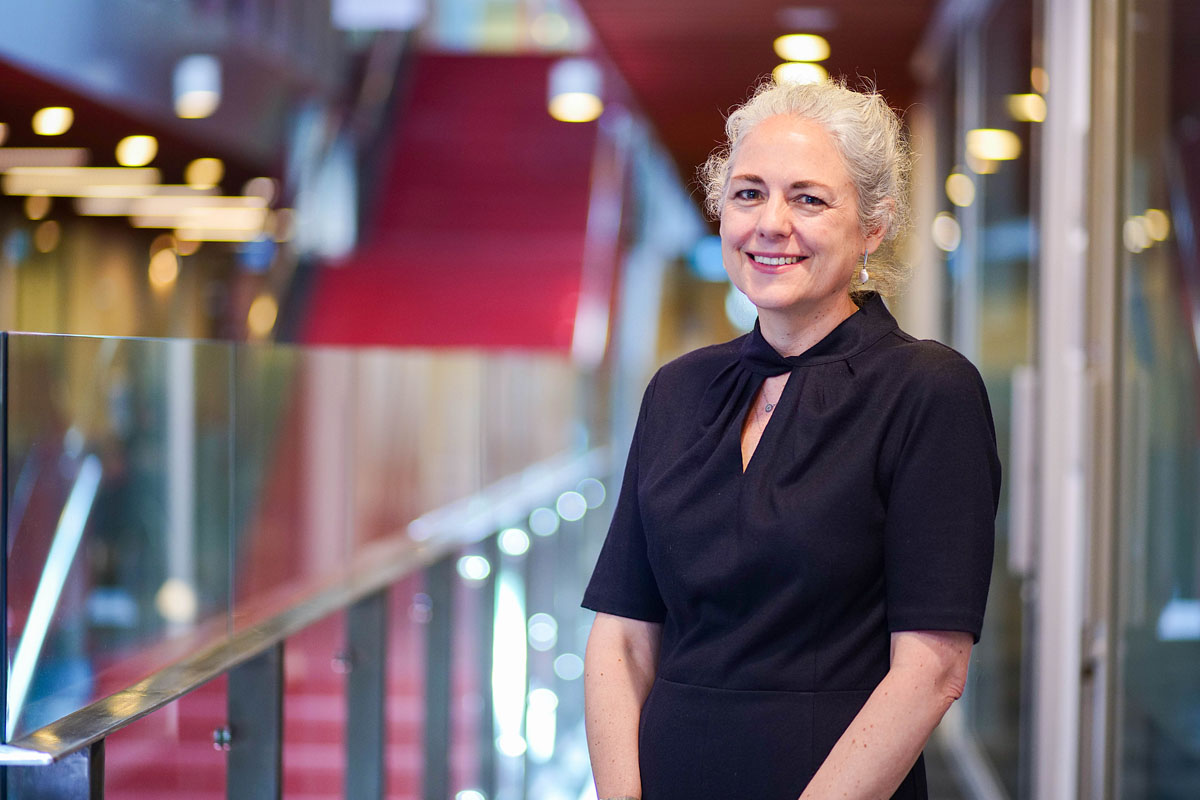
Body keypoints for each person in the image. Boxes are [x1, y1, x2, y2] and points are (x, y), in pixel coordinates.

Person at [581, 78, 1001, 800]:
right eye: (749, 194)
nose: (770, 224)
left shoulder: (928, 391)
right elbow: (622, 637)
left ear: (873, 226)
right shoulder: (677, 390)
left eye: (808, 199)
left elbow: (932, 669)